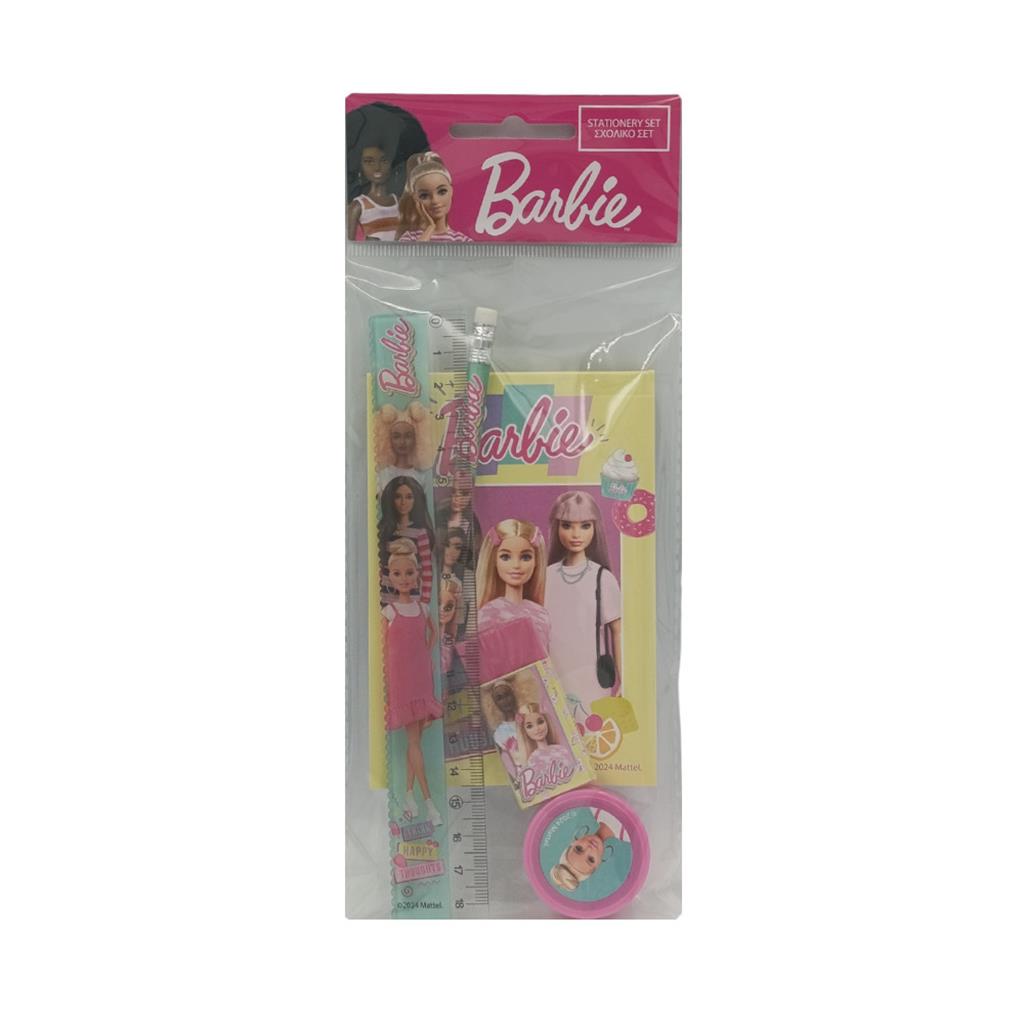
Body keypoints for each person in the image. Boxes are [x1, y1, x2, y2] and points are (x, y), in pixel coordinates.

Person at [380, 539, 442, 826]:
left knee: (414, 741)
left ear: (417, 575)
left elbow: (433, 633)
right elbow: (383, 647)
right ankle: (429, 802)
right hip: (402, 683)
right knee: (414, 741)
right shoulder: (389, 612)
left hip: (420, 680)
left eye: (409, 573)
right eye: (397, 573)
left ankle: (408, 796)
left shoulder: (423, 609)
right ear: (389, 577)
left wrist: (424, 655)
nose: (404, 579)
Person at [545, 491, 622, 714]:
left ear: (595, 528)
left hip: (592, 675)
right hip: (553, 673)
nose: (576, 534)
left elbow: (618, 631)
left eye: (585, 526)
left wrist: (624, 679)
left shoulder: (602, 578)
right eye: (567, 525)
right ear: (557, 527)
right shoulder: (546, 576)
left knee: (592, 725)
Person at [474, 518, 550, 682]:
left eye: (526, 557)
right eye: (505, 557)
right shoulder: (488, 614)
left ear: (536, 561)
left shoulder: (540, 613)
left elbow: (545, 667)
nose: (516, 565)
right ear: (494, 561)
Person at [378, 476, 434, 605]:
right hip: (386, 596)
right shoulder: (385, 530)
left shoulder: (420, 532)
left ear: (416, 500)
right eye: (398, 497)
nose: (403, 502)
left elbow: (426, 570)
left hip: (411, 598)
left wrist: (425, 601)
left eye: (409, 497)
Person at [396, 152, 473, 242]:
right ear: (415, 198)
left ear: (451, 191)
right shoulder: (409, 238)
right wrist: (430, 228)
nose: (435, 201)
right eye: (424, 196)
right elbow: (415, 252)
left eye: (442, 192)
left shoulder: (462, 241)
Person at [347, 143, 400, 241]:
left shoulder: (400, 202)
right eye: (369, 162)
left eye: (384, 161)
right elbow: (349, 245)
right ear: (361, 167)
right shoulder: (358, 206)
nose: (377, 167)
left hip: (400, 251)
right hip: (374, 251)